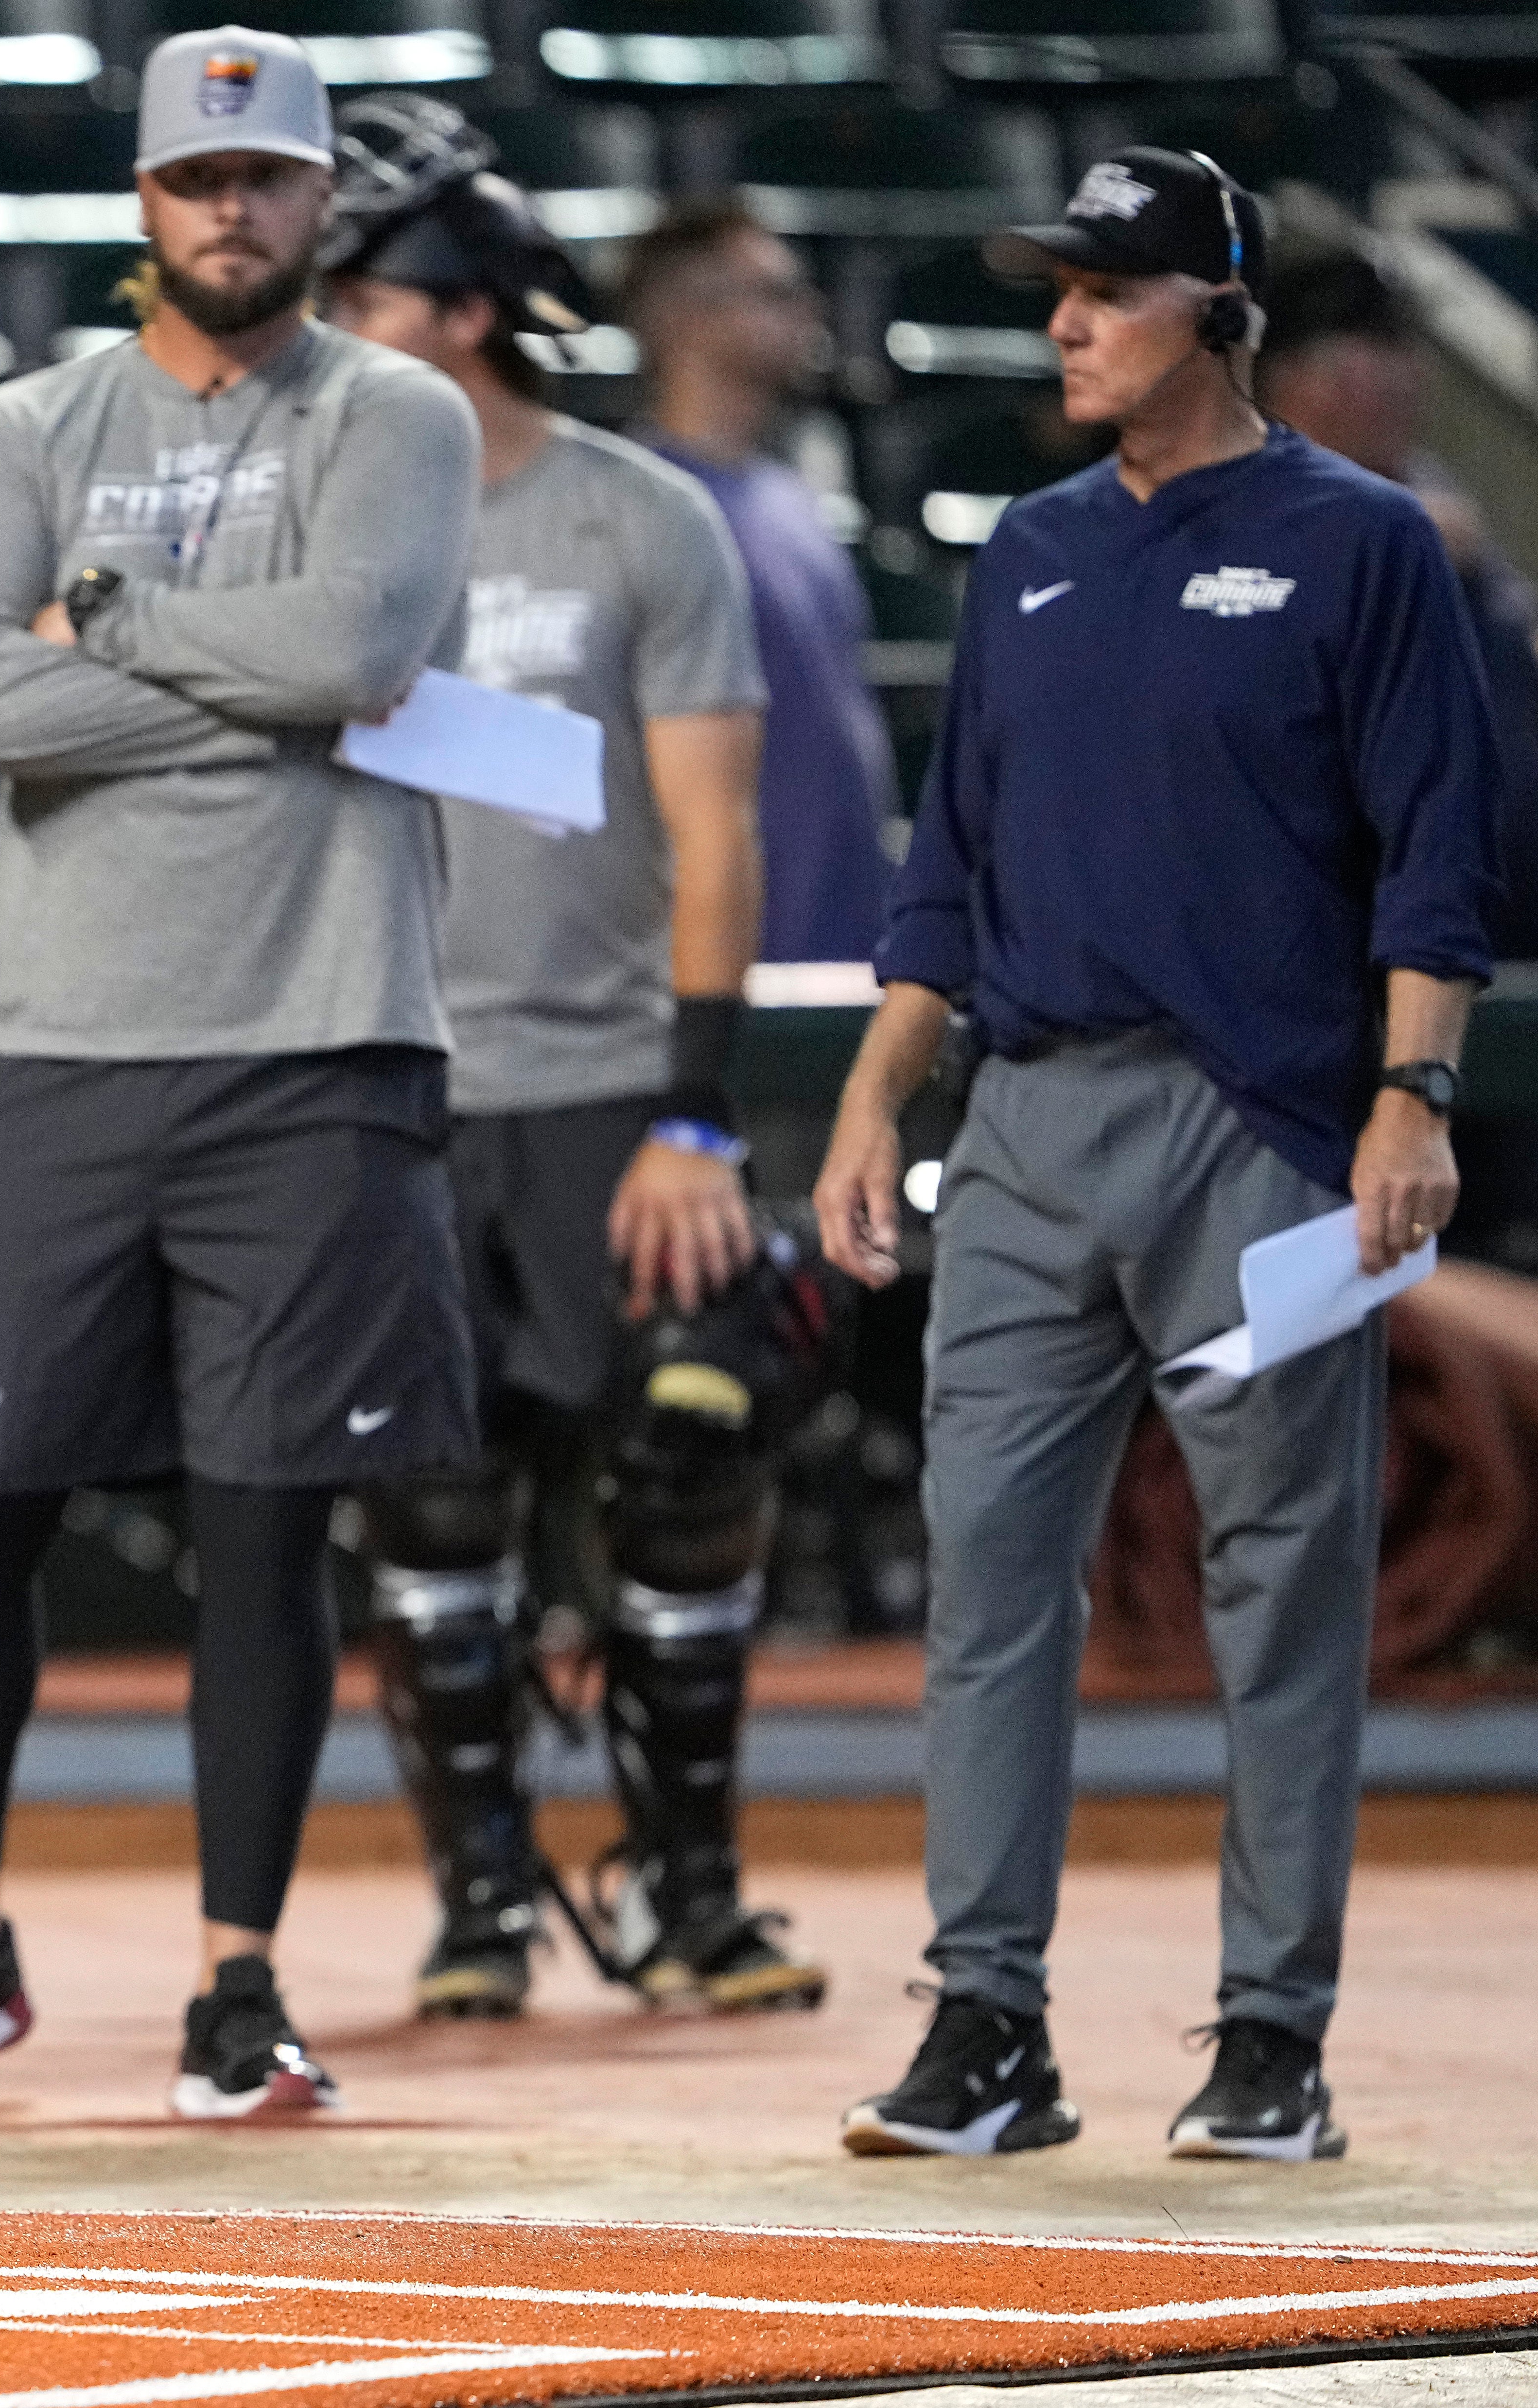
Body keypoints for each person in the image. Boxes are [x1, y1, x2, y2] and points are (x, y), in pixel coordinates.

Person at [0, 28, 480, 2119]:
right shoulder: (17, 429)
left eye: (264, 180)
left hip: (315, 1037)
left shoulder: (399, 413)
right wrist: (264, 687)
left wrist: (121, 631)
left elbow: (361, 663)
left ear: (321, 201)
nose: (227, 212)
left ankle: (237, 1983)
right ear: (142, 202)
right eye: (192, 180)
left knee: (265, 1528)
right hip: (59, 1052)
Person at [814, 150, 1500, 2163]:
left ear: (1213, 307)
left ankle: (1272, 2039)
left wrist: (1411, 1095)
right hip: (1022, 1119)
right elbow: (947, 863)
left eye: (1102, 291)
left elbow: (1436, 849)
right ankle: (985, 2032)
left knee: (1279, 1587)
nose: (1061, 324)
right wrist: (878, 1090)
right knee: (986, 1581)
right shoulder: (1020, 549)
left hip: (1261, 1125)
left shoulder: (1362, 545)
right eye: (1056, 289)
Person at [315, 94, 825, 2024]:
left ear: (449, 312)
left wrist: (697, 1111)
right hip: (393, 1083)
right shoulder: (318, 522)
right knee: (430, 1513)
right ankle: (478, 1910)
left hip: (616, 1089)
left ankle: (691, 1895)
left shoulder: (636, 513)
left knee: (686, 1469)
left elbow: (710, 833)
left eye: (354, 290)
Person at [612, 199, 899, 968]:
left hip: (839, 940)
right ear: (687, 320)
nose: (809, 312)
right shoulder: (630, 504)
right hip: (715, 955)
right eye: (772, 293)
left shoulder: (794, 502)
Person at [1256, 249, 1538, 959]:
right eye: (1378, 348)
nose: (1411, 373)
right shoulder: (1247, 491)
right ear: (1291, 375)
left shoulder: (1425, 487)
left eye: (1408, 347)